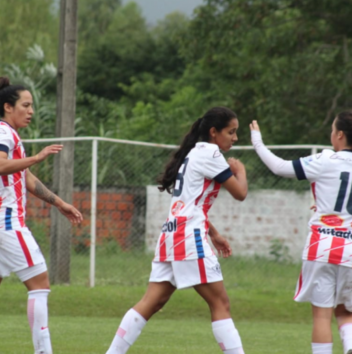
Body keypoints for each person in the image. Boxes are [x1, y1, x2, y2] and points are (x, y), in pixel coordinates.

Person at [0, 77, 83, 354]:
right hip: (4, 223)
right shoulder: (1, 133)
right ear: (8, 107)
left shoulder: (10, 135)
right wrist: (36, 157)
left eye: (32, 105)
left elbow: (25, 177)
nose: (31, 110)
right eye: (26, 105)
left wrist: (59, 203)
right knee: (40, 285)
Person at [105, 107, 249, 354]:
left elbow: (188, 203)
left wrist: (213, 233)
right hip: (189, 236)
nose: (235, 138)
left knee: (152, 302)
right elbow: (240, 193)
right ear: (214, 133)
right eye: (231, 132)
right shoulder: (211, 154)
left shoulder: (194, 153)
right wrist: (241, 172)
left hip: (172, 233)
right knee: (220, 303)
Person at [250, 110, 352, 354]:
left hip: (322, 248)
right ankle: (351, 348)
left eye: (333, 130)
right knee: (346, 312)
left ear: (340, 134)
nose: (331, 134)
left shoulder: (326, 160)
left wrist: (257, 141)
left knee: (322, 317)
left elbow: (279, 167)